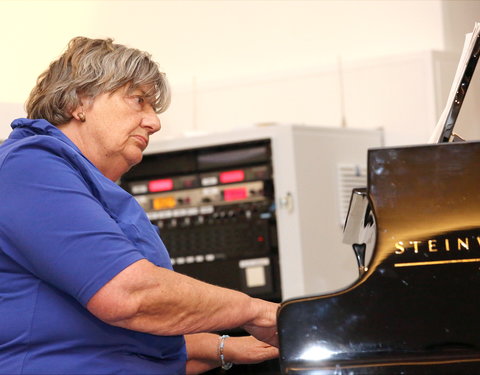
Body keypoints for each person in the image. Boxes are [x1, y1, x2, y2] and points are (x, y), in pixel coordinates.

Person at [0, 37, 279, 375]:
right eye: (139, 101)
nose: (154, 122)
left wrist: (224, 347)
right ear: (79, 101)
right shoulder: (29, 167)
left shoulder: (89, 185)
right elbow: (130, 296)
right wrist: (254, 311)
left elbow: (131, 345)